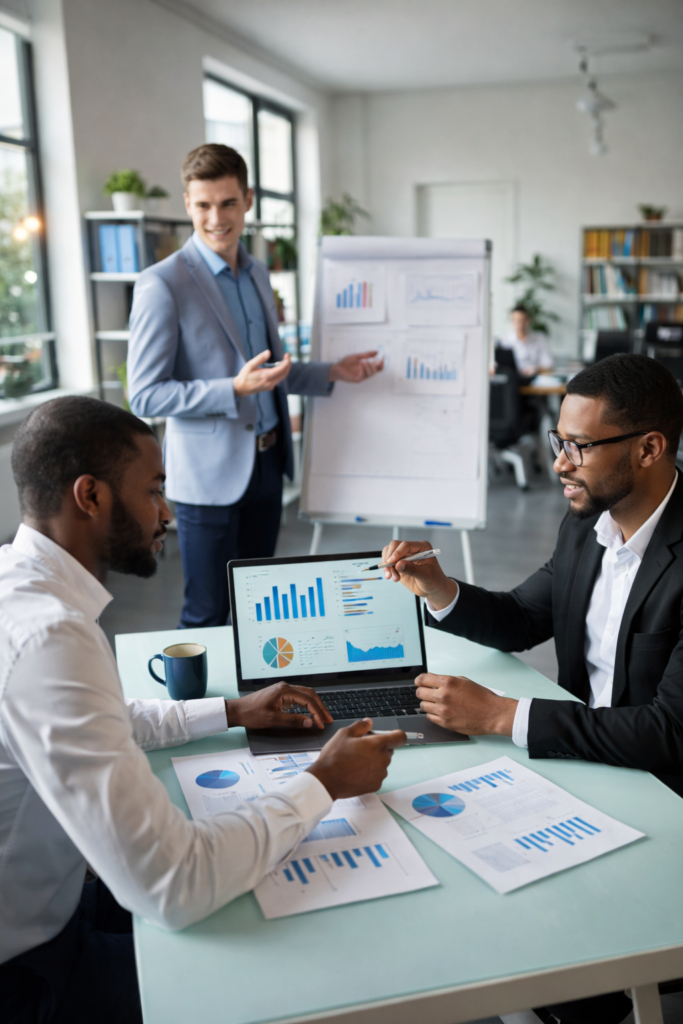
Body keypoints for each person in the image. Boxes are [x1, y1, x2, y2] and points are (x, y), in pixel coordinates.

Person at [0, 396, 405, 1024]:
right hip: (29, 977)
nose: (166, 512)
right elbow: (176, 884)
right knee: (299, 984)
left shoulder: (23, 588)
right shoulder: (50, 635)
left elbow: (111, 719)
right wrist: (324, 782)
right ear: (91, 497)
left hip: (53, 911)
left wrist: (234, 711)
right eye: (155, 490)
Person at [380, 353, 683, 1024]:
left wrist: (501, 714)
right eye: (558, 441)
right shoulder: (587, 526)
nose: (559, 463)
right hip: (592, 766)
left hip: (664, 789)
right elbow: (522, 617)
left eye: (578, 446)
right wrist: (440, 587)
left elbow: (670, 731)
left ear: (648, 449)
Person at [127, 143, 383, 629]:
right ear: (188, 204)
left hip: (267, 464)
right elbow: (145, 394)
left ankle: (257, 706)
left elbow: (268, 371)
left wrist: (331, 371)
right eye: (203, 205)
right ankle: (202, 709)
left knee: (260, 608)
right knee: (207, 613)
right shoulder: (163, 283)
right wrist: (233, 390)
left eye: (227, 203)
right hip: (208, 478)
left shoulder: (258, 274)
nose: (216, 218)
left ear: (247, 199)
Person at [499, 303, 554, 378]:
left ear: (529, 320)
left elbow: (549, 365)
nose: (521, 325)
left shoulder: (540, 338)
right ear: (512, 321)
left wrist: (535, 369)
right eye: (517, 321)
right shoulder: (505, 341)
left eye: (523, 320)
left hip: (536, 379)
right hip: (514, 380)